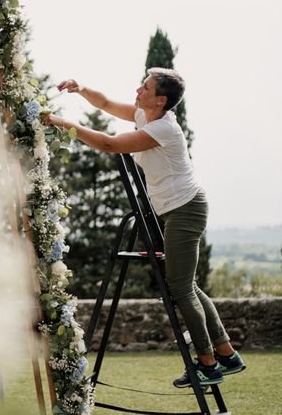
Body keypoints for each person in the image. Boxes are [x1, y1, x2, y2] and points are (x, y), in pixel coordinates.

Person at [43, 68, 246, 388]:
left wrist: (64, 123)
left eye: (146, 88)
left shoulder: (164, 129)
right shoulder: (144, 116)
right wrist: (81, 88)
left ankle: (208, 362)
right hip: (177, 210)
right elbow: (107, 103)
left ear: (161, 99)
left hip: (185, 210)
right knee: (187, 286)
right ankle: (227, 354)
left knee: (180, 288)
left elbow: (111, 145)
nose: (138, 90)